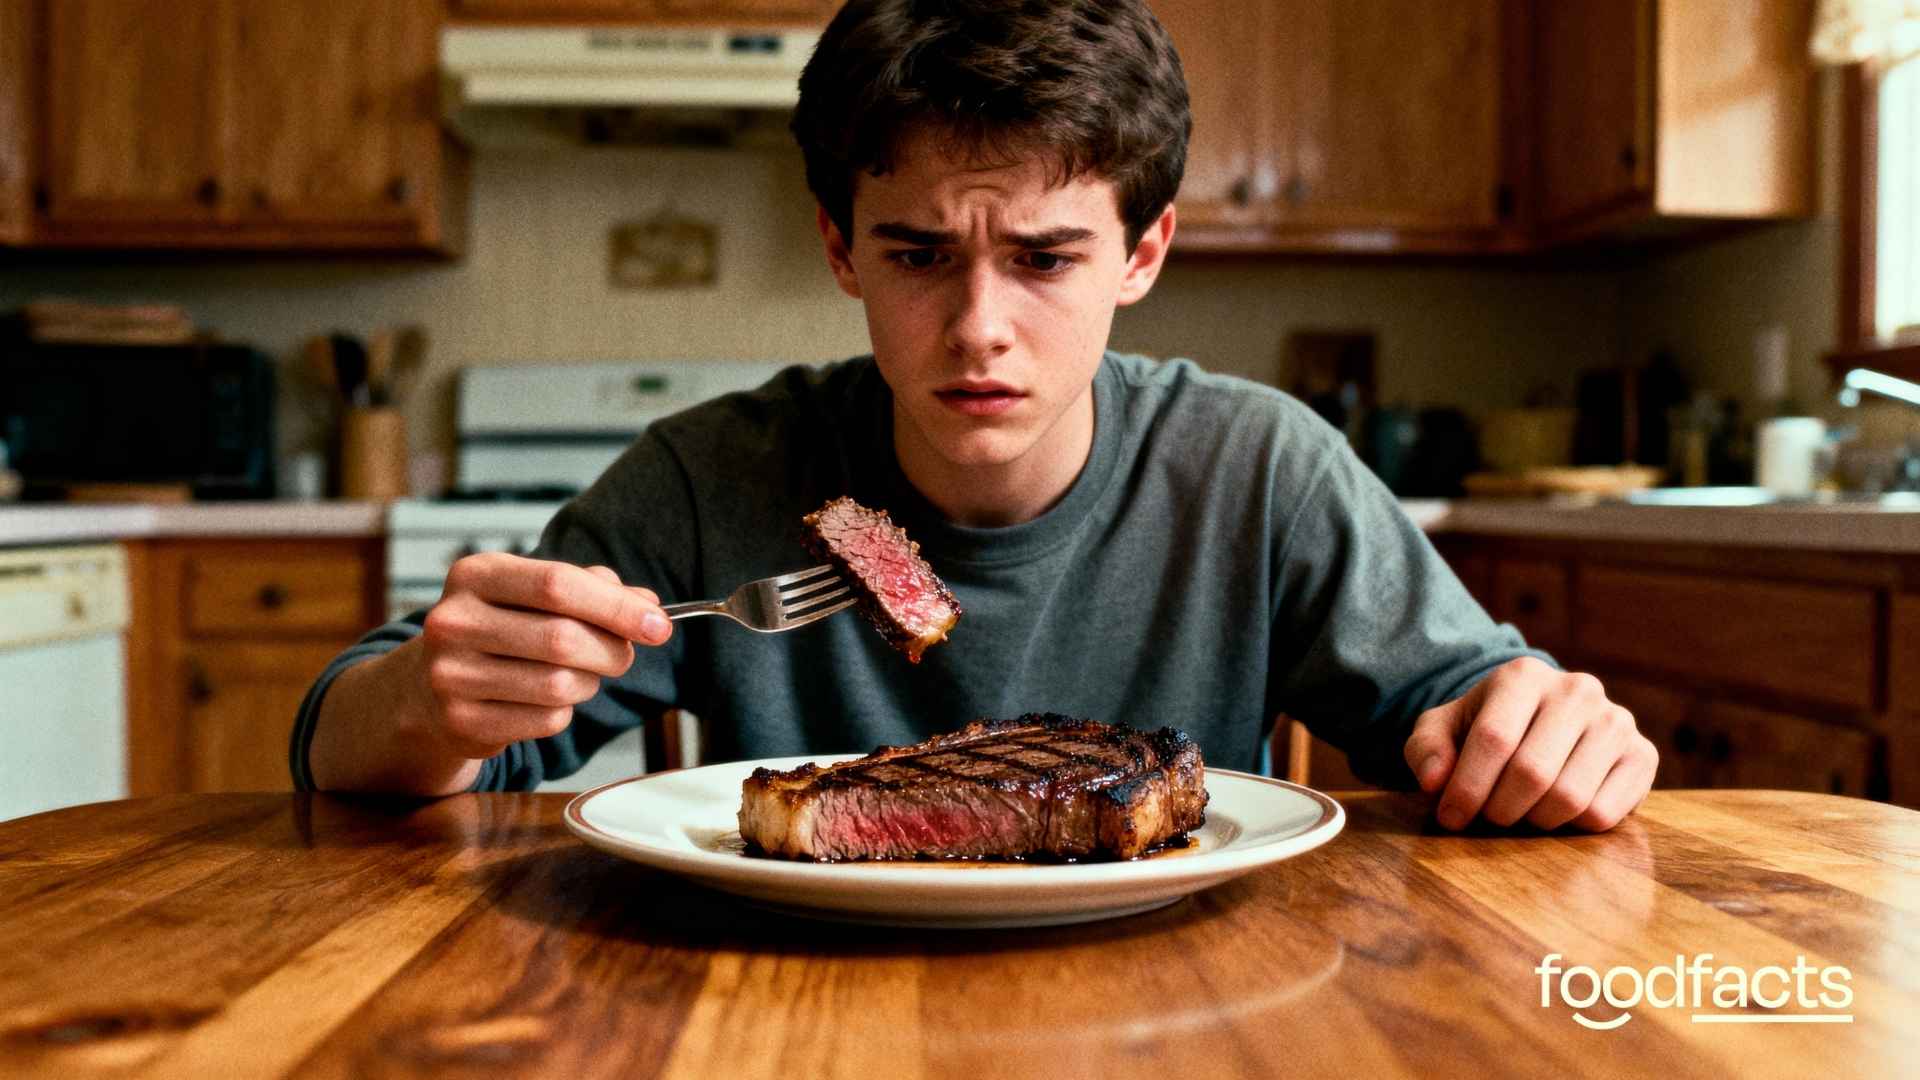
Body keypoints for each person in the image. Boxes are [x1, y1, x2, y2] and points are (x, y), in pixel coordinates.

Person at [296, 0, 1656, 833]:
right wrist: (432, 701)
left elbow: (1470, 710)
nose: (981, 327)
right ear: (840, 248)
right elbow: (336, 744)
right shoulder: (718, 476)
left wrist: (1535, 735)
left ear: (1145, 252)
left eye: (1048, 259)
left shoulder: (1260, 471)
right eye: (919, 254)